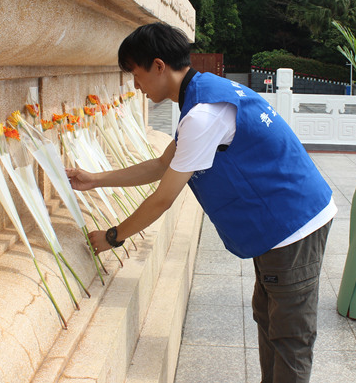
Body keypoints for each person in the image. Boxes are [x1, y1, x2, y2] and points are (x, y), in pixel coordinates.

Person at [67, 22, 337, 383]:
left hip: (291, 224)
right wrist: (96, 178)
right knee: (269, 318)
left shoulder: (202, 115)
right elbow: (163, 164)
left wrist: (114, 236)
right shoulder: (203, 93)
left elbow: (163, 198)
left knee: (290, 336)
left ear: (159, 66)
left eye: (136, 73)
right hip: (280, 220)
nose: (135, 85)